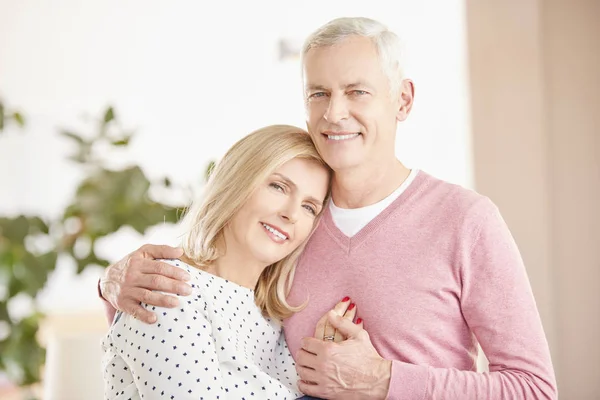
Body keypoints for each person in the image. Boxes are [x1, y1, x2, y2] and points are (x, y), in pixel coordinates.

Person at [100, 17, 557, 399]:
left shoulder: (466, 221)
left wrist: (384, 380)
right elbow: (200, 326)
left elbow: (533, 389)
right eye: (319, 93)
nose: (334, 112)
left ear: (403, 99)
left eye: (357, 91)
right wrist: (111, 286)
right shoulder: (289, 231)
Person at [101, 124, 335, 399]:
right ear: (237, 181)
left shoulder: (274, 317)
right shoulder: (169, 288)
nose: (292, 214)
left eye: (309, 207)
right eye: (278, 186)